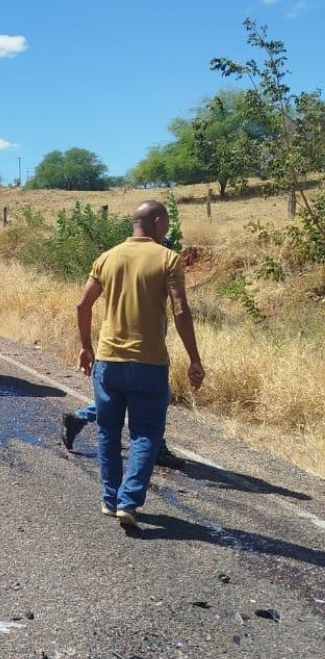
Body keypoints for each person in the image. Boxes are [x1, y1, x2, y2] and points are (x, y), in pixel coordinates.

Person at [75, 200, 204, 528]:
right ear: (158, 222)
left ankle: (110, 499)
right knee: (145, 433)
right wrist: (194, 358)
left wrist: (85, 347)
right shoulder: (168, 258)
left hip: (108, 361)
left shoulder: (107, 257)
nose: (168, 228)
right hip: (149, 363)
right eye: (167, 223)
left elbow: (82, 305)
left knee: (108, 431)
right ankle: (128, 502)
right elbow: (180, 310)